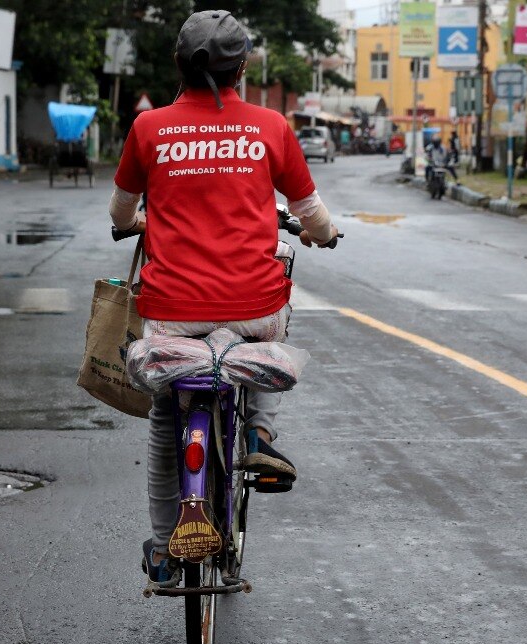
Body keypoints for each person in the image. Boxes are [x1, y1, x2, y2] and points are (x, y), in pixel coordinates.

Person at [107, 10, 339, 583]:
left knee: (166, 416)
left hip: (170, 317)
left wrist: (138, 221)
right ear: (244, 66)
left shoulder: (148, 128)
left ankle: (164, 547)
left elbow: (119, 211)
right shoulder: (271, 126)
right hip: (251, 307)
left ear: (177, 64)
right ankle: (259, 431)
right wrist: (321, 235)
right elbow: (313, 216)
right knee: (277, 302)